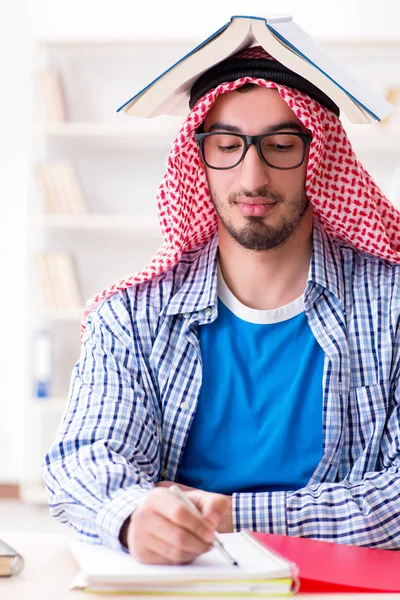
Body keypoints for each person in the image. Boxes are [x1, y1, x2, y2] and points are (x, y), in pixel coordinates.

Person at [43, 35, 400, 566]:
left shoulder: (391, 307)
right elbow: (85, 457)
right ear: (199, 158)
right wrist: (135, 515)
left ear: (318, 157)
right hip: (184, 577)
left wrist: (233, 514)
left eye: (280, 146)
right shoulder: (131, 317)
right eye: (227, 146)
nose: (252, 178)